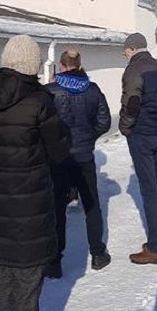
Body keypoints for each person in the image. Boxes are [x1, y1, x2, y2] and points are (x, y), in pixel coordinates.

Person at [0, 35, 71, 311]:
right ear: (33, 64)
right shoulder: (40, 100)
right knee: (27, 284)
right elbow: (58, 150)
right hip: (30, 202)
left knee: (2, 280)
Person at [45, 49, 112, 278]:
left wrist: (54, 143)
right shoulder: (92, 89)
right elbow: (104, 121)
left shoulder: (50, 91)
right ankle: (98, 253)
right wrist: (89, 137)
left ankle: (55, 261)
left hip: (59, 158)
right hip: (84, 157)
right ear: (79, 64)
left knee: (57, 207)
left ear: (61, 65)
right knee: (91, 204)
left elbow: (42, 124)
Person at [119, 33, 157, 265]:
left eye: (125, 50)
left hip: (142, 132)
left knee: (150, 189)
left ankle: (154, 248)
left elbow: (131, 103)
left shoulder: (134, 69)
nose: (124, 53)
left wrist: (125, 127)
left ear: (132, 48)